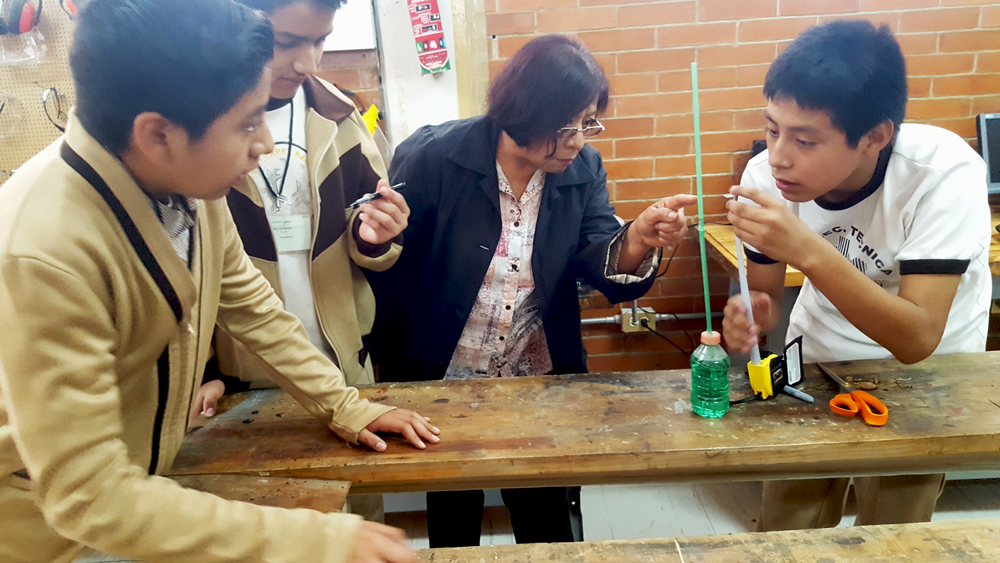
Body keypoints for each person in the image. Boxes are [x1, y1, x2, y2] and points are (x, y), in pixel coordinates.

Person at [0, 1, 437, 562]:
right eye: (248, 123)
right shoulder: (45, 251)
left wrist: (345, 406)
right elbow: (87, 495)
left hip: (140, 493)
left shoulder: (189, 186)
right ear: (159, 134)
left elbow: (253, 307)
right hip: (50, 537)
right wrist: (318, 538)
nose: (266, 144)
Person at [368, 34, 697, 547]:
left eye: (587, 123)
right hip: (443, 378)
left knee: (546, 518)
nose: (577, 141)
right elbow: (390, 261)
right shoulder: (435, 156)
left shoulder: (582, 169)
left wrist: (636, 238)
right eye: (565, 126)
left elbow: (596, 251)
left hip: (536, 376)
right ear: (522, 112)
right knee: (452, 520)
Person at [722, 20, 991, 531]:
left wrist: (807, 250)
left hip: (928, 375)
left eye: (805, 140)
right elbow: (766, 295)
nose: (778, 157)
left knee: (893, 533)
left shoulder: (943, 174)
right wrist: (754, 311)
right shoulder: (764, 177)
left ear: (875, 137)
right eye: (772, 130)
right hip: (821, 358)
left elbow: (916, 338)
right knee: (788, 527)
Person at [192, 0, 407, 524]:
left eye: (321, 40)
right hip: (242, 379)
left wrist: (377, 236)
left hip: (340, 360)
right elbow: (196, 281)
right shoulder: (196, 125)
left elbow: (371, 233)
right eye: (286, 42)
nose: (308, 62)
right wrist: (205, 371)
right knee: (263, 515)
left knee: (357, 512)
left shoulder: (338, 114)